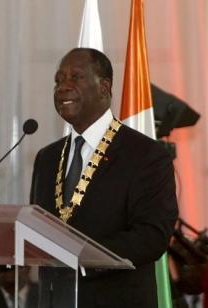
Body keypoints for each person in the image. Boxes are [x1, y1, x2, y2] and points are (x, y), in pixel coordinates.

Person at [30, 48, 178, 307]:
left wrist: (81, 255)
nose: (63, 87)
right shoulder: (47, 157)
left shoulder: (145, 154)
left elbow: (152, 236)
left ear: (104, 87)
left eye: (76, 78)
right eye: (58, 80)